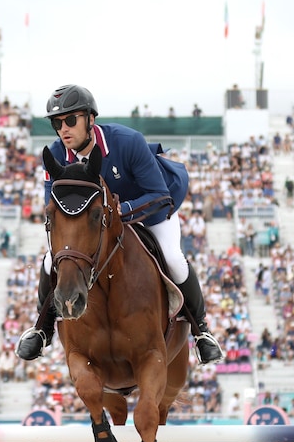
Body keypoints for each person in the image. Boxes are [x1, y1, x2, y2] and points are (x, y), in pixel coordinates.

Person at [16, 84, 224, 366]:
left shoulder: (127, 141)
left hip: (148, 210)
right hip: (97, 222)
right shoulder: (55, 155)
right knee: (51, 258)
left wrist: (118, 211)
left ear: (90, 119)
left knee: (174, 259)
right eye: (56, 123)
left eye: (70, 120)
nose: (63, 129)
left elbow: (158, 195)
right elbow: (53, 204)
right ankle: (42, 329)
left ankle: (202, 332)